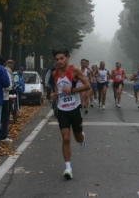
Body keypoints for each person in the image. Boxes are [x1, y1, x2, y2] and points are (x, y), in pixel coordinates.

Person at [50, 48, 90, 180]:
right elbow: (57, 89)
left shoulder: (74, 70)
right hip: (62, 110)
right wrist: (55, 94)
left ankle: (82, 137)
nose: (59, 61)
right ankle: (68, 168)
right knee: (66, 138)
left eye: (62, 58)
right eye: (57, 59)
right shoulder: (54, 73)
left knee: (77, 137)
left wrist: (72, 90)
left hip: (75, 108)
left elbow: (87, 85)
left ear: (67, 58)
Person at [0, 59, 15, 142]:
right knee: (5, 116)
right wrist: (11, 88)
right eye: (11, 64)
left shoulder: (2, 70)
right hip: (5, 96)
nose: (12, 65)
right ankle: (3, 135)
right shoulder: (7, 72)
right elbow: (8, 85)